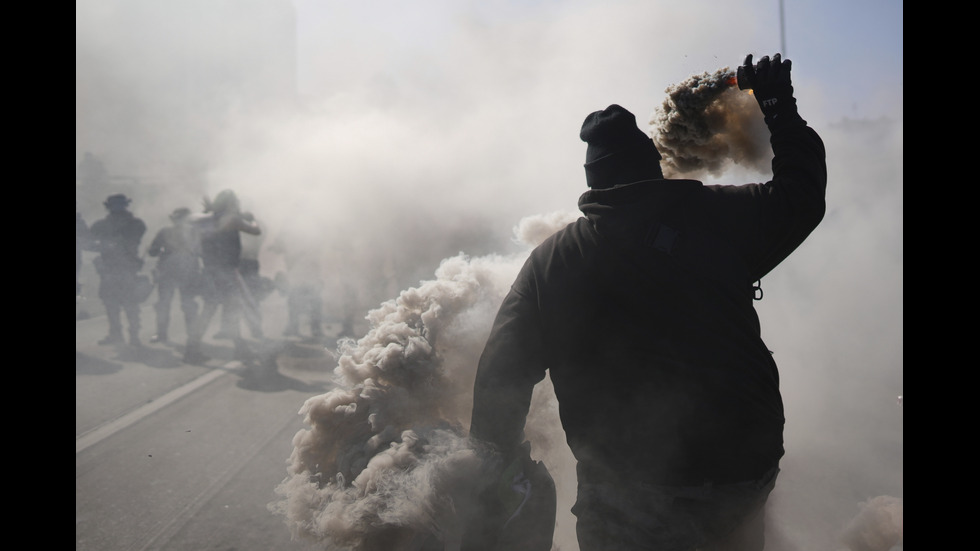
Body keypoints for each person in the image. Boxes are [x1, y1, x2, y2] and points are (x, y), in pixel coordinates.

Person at [468, 53, 827, 551]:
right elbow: (802, 195)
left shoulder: (552, 263)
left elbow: (500, 374)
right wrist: (777, 105)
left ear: (592, 181)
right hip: (737, 473)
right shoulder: (721, 218)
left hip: (623, 489)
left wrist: (499, 466)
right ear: (652, 168)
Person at [183, 189, 261, 364]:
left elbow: (192, 225)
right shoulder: (231, 219)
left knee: (210, 310)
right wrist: (251, 219)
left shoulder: (206, 220)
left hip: (210, 271)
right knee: (229, 310)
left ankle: (193, 349)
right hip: (225, 272)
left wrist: (211, 211)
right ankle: (239, 349)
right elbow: (255, 231)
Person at [88, 194, 148, 347]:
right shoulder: (102, 225)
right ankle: (119, 335)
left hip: (125, 268)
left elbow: (133, 241)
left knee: (128, 304)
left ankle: (132, 336)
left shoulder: (135, 224)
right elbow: (88, 242)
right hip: (110, 268)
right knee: (112, 304)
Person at [146, 207, 201, 344]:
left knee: (165, 304)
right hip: (182, 272)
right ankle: (191, 336)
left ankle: (163, 334)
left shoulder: (165, 231)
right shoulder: (195, 232)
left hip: (171, 272)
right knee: (184, 305)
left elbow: (153, 251)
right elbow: (201, 252)